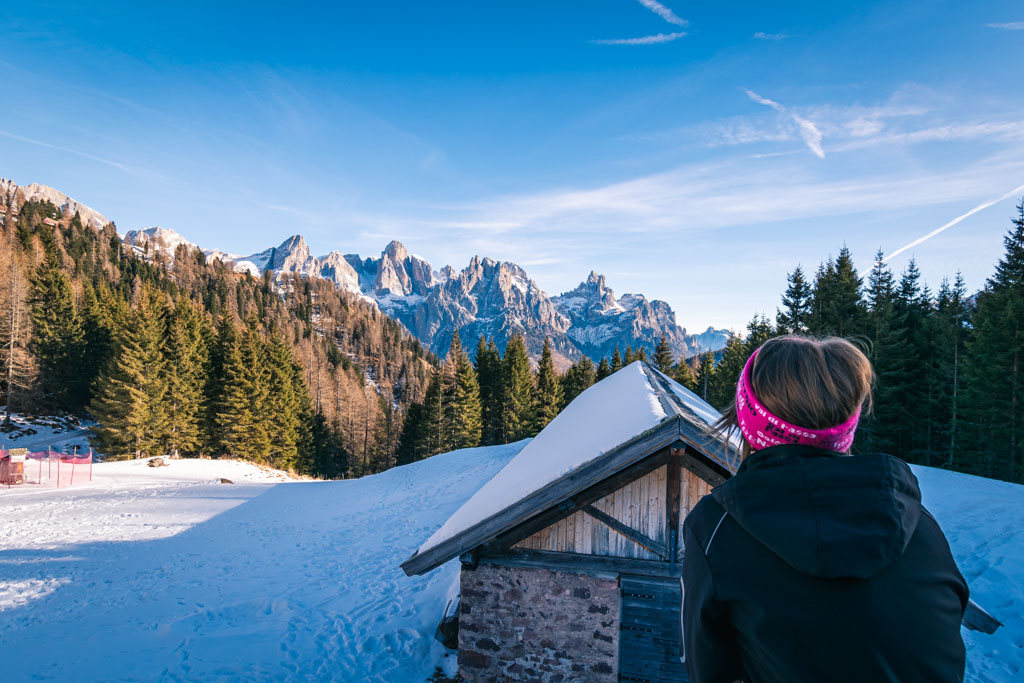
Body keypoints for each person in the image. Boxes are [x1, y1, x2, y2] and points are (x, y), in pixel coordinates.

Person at [682, 335, 969, 683]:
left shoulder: (717, 528)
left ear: (748, 422)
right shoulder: (917, 523)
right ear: (847, 427)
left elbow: (709, 670)